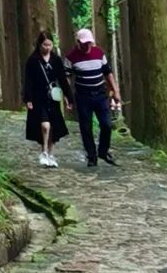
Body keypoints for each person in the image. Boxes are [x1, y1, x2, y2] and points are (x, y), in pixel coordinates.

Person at [65, 26, 122, 167]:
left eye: (88, 43)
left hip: (100, 95)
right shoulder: (71, 57)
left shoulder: (99, 53)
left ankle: (103, 151)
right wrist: (68, 96)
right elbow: (66, 77)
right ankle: (92, 156)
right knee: (86, 127)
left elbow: (108, 73)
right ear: (78, 42)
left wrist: (116, 91)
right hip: (83, 96)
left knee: (106, 124)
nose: (86, 46)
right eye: (83, 43)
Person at [24, 30, 71, 169]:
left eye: (50, 45)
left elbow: (62, 79)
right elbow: (28, 81)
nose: (47, 48)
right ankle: (43, 151)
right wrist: (28, 98)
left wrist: (69, 97)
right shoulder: (33, 60)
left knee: (53, 127)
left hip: (53, 97)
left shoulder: (56, 60)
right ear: (39, 44)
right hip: (39, 97)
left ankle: (50, 154)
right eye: (45, 45)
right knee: (45, 125)